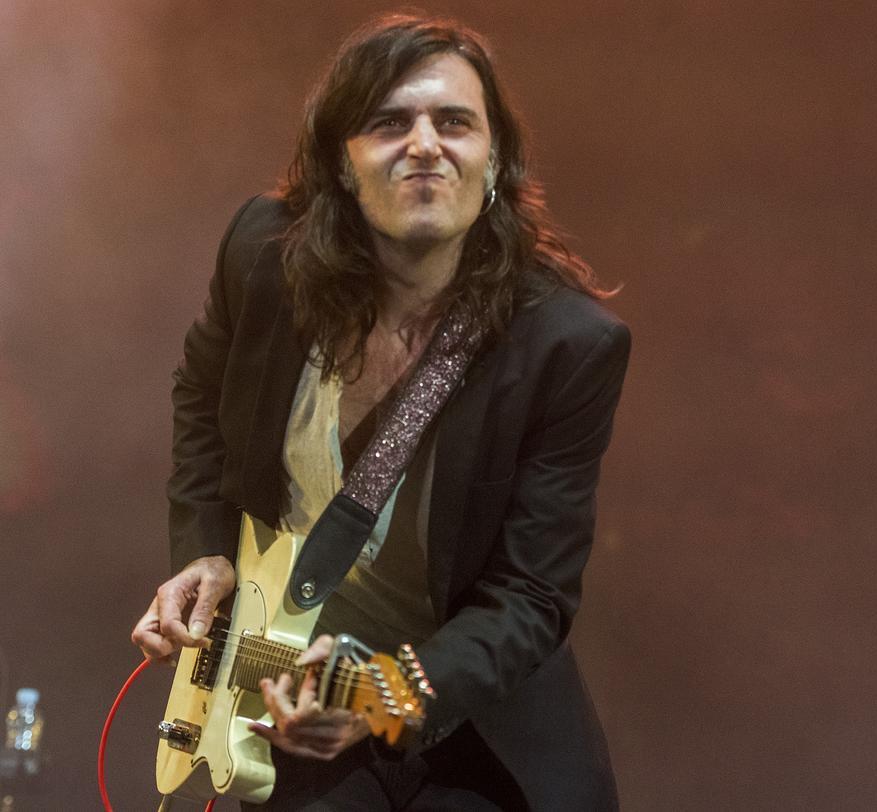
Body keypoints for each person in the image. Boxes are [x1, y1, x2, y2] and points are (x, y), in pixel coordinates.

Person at [130, 14, 629, 810]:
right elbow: (200, 397)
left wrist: (383, 698)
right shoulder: (264, 257)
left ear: (494, 160)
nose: (425, 144)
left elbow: (531, 597)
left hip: (466, 716)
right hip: (293, 688)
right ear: (342, 162)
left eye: (455, 123)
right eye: (389, 122)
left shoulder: (565, 343)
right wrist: (206, 550)